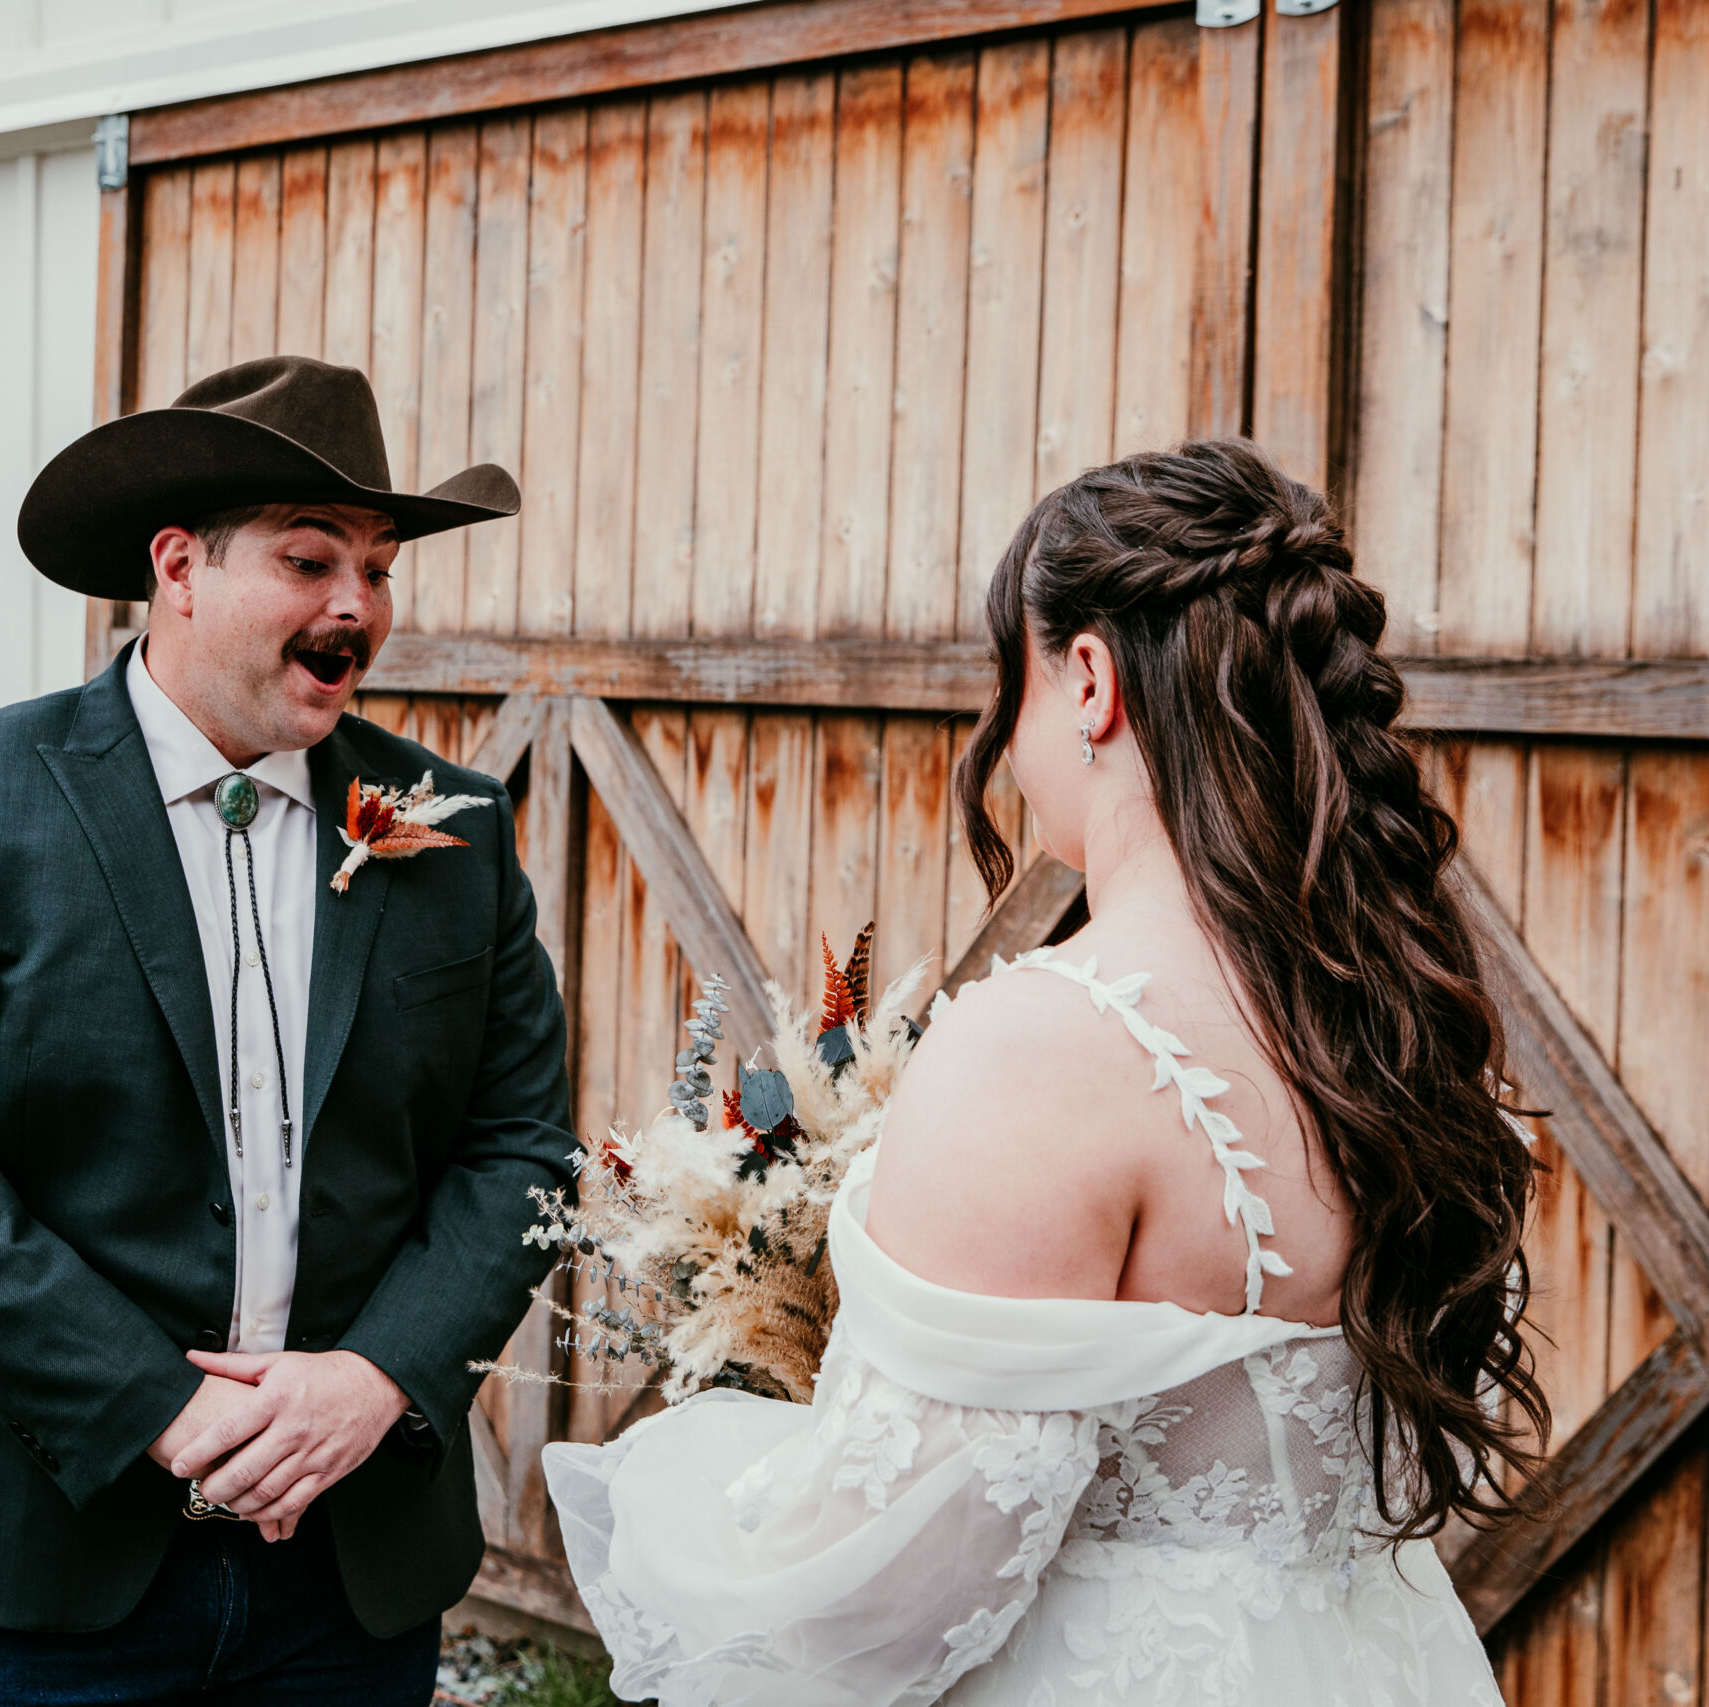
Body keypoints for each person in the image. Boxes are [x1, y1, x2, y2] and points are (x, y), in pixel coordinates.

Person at [546, 439, 1544, 1705]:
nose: (1004, 749)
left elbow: (887, 1609)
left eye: (1002, 687)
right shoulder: (1400, 1023)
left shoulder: (1046, 1046)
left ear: (1087, 680)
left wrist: (704, 1490)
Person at [0, 355, 574, 1704]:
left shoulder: (448, 825)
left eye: (379, 568)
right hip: (22, 1569)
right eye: (311, 558)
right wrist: (166, 1405)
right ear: (180, 568)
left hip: (345, 1572)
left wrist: (379, 1375)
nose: (358, 606)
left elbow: (520, 1144)